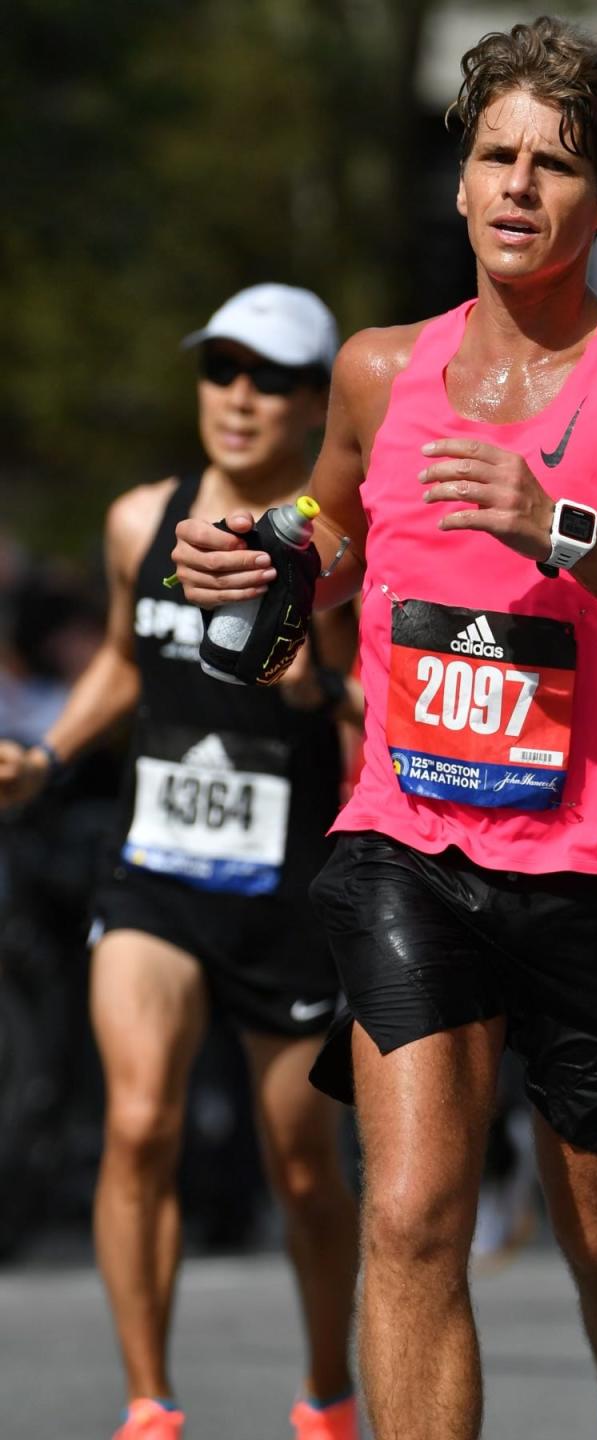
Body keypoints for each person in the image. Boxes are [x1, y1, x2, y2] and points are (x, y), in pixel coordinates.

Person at [172, 19, 597, 1440]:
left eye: (558, 166)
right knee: (411, 1211)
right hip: (408, 838)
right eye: (496, 156)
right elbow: (333, 522)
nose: (520, 187)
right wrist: (273, 556)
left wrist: (561, 530)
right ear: (459, 181)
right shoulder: (382, 371)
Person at [0, 284, 360, 1440]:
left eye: (268, 379)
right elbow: (121, 656)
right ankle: (148, 1403)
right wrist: (48, 755)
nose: (239, 399)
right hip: (153, 868)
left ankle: (326, 1390)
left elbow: (351, 701)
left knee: (302, 1168)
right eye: (221, 372)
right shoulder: (137, 521)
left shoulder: (338, 543)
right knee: (141, 1118)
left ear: (314, 405)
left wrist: (297, 642)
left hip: (285, 888)